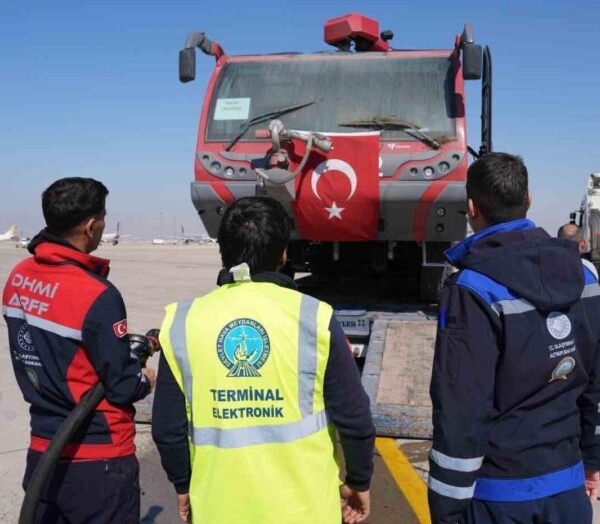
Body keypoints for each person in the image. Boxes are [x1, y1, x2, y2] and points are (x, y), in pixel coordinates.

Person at [152, 196, 375, 524]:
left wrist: (182, 484)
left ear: (223, 251)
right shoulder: (313, 317)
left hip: (218, 510)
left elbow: (167, 429)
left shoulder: (183, 322)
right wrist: (359, 480)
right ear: (284, 253)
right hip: (306, 511)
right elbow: (354, 417)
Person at [428, 153, 600, 524]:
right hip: (567, 487)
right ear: (530, 199)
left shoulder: (472, 288)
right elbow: (594, 386)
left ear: (471, 208)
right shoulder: (585, 278)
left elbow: (461, 410)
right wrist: (592, 460)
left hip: (497, 495)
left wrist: (447, 506)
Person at [2, 177, 155, 523]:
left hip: (43, 448)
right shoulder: (97, 294)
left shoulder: (18, 277)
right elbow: (120, 386)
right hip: (99, 460)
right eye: (102, 217)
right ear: (90, 226)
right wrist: (144, 379)